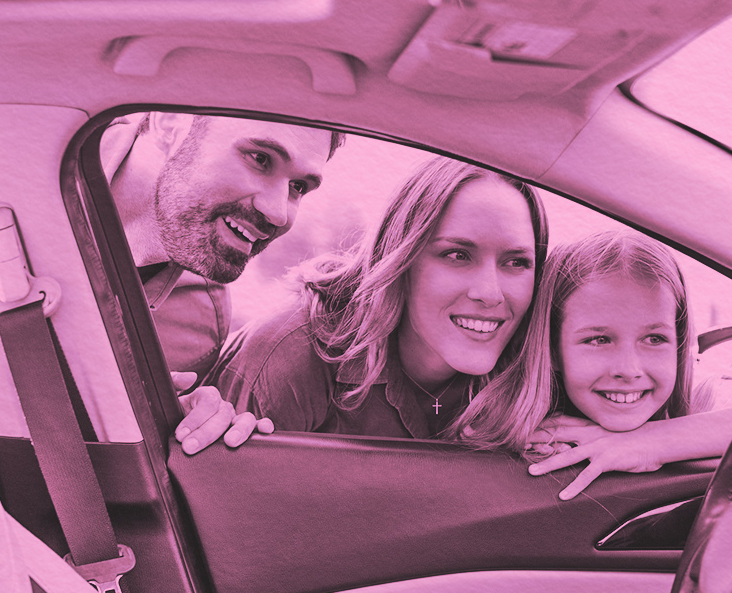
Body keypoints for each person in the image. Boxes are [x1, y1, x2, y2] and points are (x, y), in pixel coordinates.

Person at [458, 230, 732, 499]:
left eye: (654, 339)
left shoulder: (703, 392)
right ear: (551, 348)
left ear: (680, 344)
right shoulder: (533, 425)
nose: (629, 367)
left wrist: (656, 439)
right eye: (598, 340)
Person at [208, 155, 548, 438]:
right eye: (457, 255)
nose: (490, 294)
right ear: (400, 257)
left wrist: (601, 440)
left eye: (516, 262)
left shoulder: (545, 366)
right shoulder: (290, 356)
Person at [103, 112, 343, 377]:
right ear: (169, 121)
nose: (277, 213)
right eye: (260, 159)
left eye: (297, 186)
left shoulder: (199, 326)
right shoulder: (51, 139)